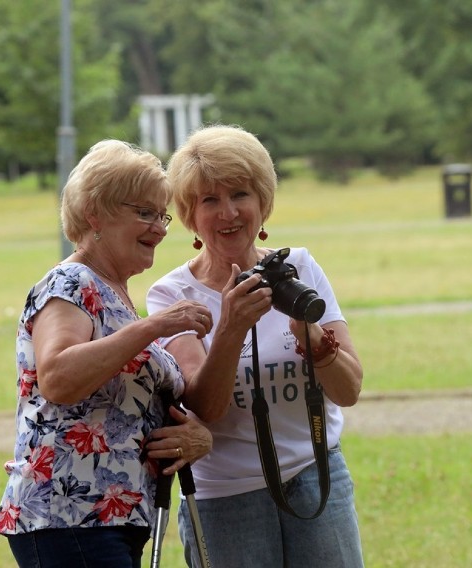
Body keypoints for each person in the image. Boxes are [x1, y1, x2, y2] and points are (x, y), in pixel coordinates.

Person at [146, 124, 365, 567]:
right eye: (210, 200)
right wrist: (230, 327)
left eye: (240, 194)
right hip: (226, 496)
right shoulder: (171, 295)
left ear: (262, 202)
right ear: (189, 215)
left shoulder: (299, 268)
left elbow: (349, 391)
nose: (228, 213)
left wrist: (312, 336)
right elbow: (206, 408)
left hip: (316, 474)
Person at [0, 139, 215, 568]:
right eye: (143, 213)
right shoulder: (72, 283)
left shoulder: (114, 294)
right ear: (95, 213)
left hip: (106, 518)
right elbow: (58, 377)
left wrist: (197, 436)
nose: (160, 227)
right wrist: (156, 325)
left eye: (161, 214)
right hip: (69, 516)